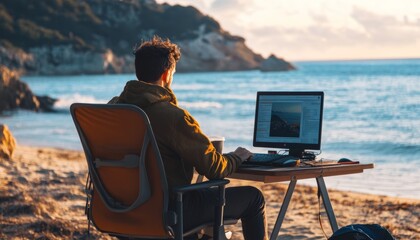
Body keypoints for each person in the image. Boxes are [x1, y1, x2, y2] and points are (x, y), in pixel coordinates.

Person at [109, 36, 268, 240]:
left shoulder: (114, 109)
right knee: (253, 198)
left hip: (123, 207)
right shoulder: (171, 116)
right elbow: (214, 169)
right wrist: (237, 157)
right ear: (167, 74)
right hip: (169, 210)